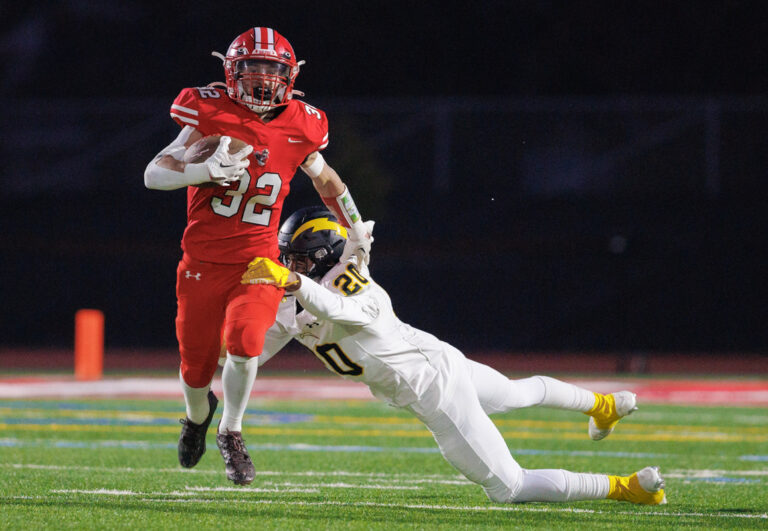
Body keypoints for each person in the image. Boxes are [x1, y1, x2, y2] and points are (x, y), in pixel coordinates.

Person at [240, 206, 667, 505]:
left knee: (509, 487)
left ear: (321, 256)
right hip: (438, 359)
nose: (287, 267)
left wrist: (294, 284)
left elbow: (339, 310)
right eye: (285, 260)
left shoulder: (350, 284)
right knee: (517, 395)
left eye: (295, 260)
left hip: (433, 389)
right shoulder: (292, 299)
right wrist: (214, 366)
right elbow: (252, 354)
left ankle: (627, 487)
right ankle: (603, 406)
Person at [143, 28, 371, 486]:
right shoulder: (206, 111)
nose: (263, 79)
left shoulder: (302, 123)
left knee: (246, 344)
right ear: (231, 71)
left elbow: (327, 180)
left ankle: (232, 432)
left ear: (290, 75)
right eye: (253, 68)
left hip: (259, 262)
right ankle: (197, 416)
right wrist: (198, 169)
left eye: (272, 69)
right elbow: (153, 174)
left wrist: (355, 226)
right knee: (194, 370)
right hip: (202, 264)